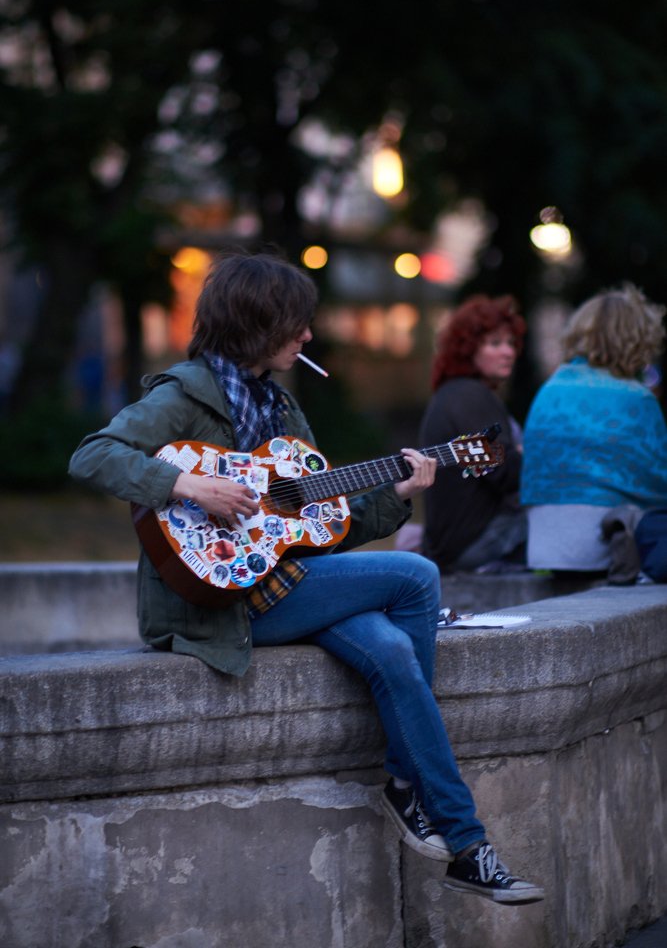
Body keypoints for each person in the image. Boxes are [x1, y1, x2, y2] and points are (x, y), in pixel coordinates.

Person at [69, 250, 544, 906]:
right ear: (256, 323)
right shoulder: (182, 396)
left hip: (292, 582)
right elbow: (92, 454)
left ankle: (461, 842)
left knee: (393, 649)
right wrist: (186, 484)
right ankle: (421, 799)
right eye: (297, 322)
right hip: (223, 602)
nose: (308, 335)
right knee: (414, 576)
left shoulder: (283, 413)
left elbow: (323, 526)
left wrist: (398, 489)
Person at [520, 283, 667, 577]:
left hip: (546, 545)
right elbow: (657, 480)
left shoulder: (551, 387)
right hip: (605, 543)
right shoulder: (636, 397)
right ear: (639, 339)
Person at [405, 294, 527, 574]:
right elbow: (507, 474)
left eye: (510, 343)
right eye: (495, 343)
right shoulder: (471, 396)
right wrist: (524, 455)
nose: (508, 352)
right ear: (467, 349)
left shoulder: (454, 394)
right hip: (473, 544)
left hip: (450, 546)